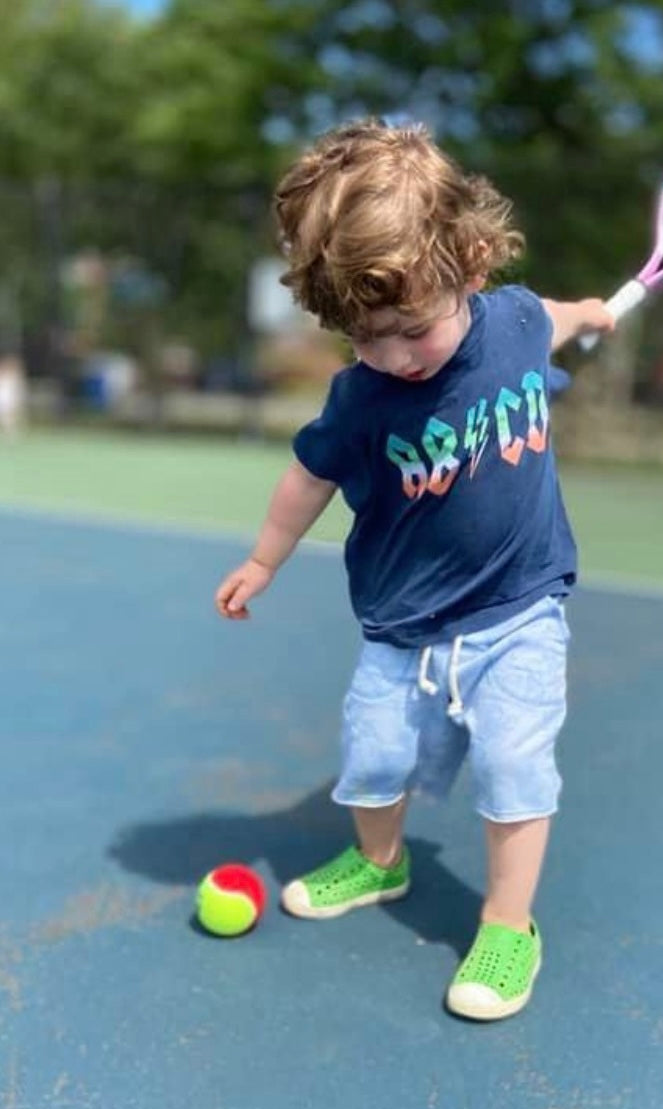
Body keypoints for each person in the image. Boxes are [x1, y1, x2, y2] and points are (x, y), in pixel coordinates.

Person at [214, 119, 615, 1021]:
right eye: (366, 337)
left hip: (519, 609)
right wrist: (261, 560)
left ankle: (509, 927)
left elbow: (556, 318)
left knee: (516, 766)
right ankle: (380, 864)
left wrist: (593, 313)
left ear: (471, 265)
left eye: (409, 331)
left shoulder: (512, 321)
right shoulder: (360, 397)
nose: (392, 356)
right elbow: (305, 478)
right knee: (374, 759)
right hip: (402, 624)